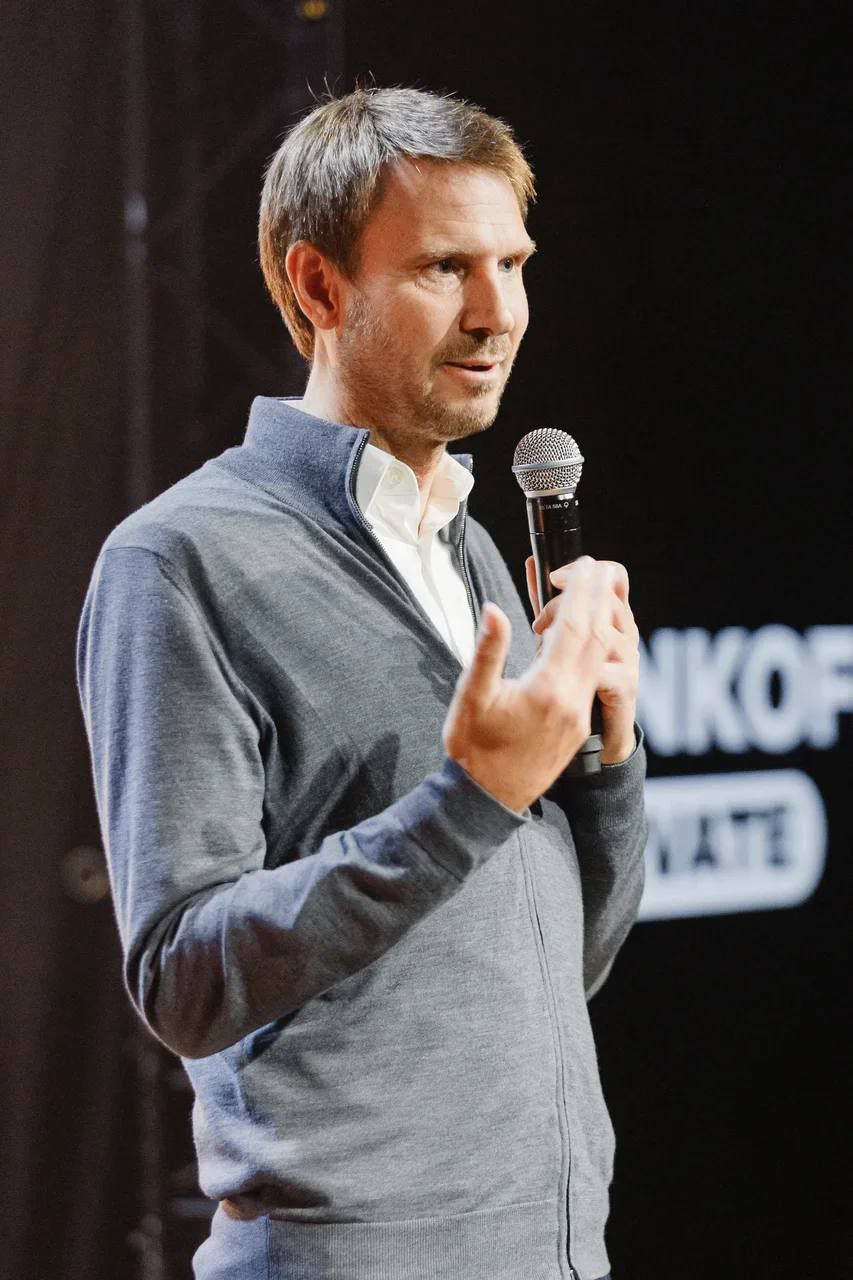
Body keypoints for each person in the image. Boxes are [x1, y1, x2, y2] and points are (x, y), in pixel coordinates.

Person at [76, 86, 647, 1280]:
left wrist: (603, 754)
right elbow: (181, 977)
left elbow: (562, 963)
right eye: (446, 267)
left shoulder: (473, 546)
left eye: (512, 263)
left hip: (552, 1249)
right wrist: (469, 799)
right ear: (319, 287)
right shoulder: (180, 561)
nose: (498, 312)